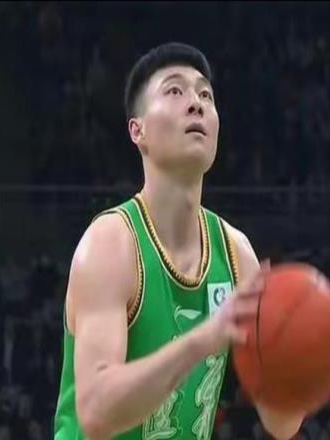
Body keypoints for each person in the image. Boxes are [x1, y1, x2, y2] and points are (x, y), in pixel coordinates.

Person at [53, 42, 303, 439]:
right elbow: (96, 412)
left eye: (206, 95)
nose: (196, 104)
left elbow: (282, 424)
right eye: (174, 90)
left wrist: (307, 368)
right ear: (138, 130)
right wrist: (200, 341)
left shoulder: (236, 253)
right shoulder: (110, 244)